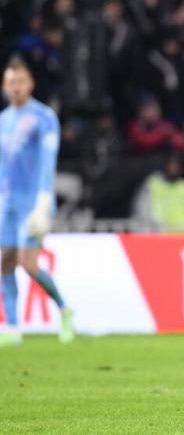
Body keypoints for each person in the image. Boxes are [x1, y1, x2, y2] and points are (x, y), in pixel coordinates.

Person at [0, 59, 74, 346]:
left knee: (28, 263)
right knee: (4, 261)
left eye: (20, 82)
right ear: (5, 87)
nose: (16, 88)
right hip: (7, 202)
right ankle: (14, 327)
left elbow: (47, 159)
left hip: (34, 201)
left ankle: (64, 309)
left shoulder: (43, 117)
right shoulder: (4, 120)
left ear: (30, 84)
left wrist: (44, 199)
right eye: (11, 83)